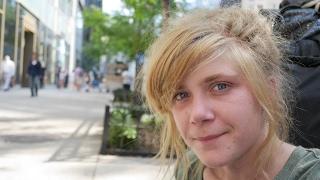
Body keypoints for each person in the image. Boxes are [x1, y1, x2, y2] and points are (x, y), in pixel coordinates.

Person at [141, 7, 320, 180]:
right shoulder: (189, 168)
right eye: (180, 95)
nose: (198, 114)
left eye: (220, 86)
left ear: (269, 90)